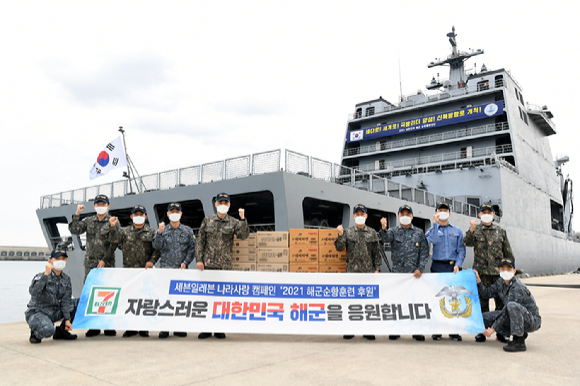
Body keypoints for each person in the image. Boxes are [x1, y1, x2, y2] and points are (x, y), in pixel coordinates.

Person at [195, 192, 249, 339]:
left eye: (226, 203)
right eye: (220, 202)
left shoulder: (233, 222)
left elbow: (244, 236)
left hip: (224, 266)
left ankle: (219, 328)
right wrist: (199, 260)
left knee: (221, 298)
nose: (223, 205)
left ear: (229, 205)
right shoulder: (207, 221)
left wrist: (243, 218)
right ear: (216, 204)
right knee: (206, 298)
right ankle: (206, 328)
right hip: (208, 266)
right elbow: (200, 241)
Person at [68, 194, 119, 337]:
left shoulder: (113, 221)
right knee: (92, 296)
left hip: (106, 264)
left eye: (103, 204)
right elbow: (74, 229)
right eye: (98, 204)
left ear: (108, 206)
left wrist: (104, 259)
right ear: (94, 206)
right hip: (90, 264)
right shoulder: (89, 221)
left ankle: (108, 326)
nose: (100, 206)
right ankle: (93, 326)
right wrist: (77, 214)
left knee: (108, 295)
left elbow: (115, 242)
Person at [464, 203, 515, 343]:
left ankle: (501, 332)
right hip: (481, 274)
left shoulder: (501, 231)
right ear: (479, 214)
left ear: (493, 215)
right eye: (483, 212)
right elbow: (466, 242)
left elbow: (508, 253)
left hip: (498, 274)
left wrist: (510, 272)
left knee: (501, 304)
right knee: (482, 303)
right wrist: (471, 229)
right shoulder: (475, 229)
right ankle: (481, 330)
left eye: (489, 212)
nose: (486, 214)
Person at [109, 205, 160, 338]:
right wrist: (112, 227)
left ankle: (143, 328)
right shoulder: (124, 231)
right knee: (130, 300)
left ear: (145, 216)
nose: (138, 216)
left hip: (145, 272)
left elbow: (157, 249)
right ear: (131, 216)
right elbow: (112, 240)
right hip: (129, 272)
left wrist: (152, 261)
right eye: (136, 214)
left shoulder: (151, 232)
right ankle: (130, 327)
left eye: (141, 214)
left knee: (144, 300)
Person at [379, 205, 429, 341]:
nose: (405, 216)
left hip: (414, 275)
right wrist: (383, 228)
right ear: (399, 216)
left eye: (408, 213)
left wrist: (420, 268)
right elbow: (385, 239)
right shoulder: (393, 232)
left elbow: (424, 253)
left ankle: (416, 330)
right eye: (402, 214)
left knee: (415, 303)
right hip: (398, 274)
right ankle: (396, 329)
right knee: (397, 302)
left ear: (412, 216)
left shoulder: (419, 233)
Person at [335, 204, 381, 341]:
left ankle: (368, 330)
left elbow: (376, 253)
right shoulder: (348, 232)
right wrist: (340, 235)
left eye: (362, 213)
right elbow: (339, 248)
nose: (360, 216)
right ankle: (350, 329)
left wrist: (377, 269)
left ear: (366, 216)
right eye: (357, 213)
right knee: (351, 303)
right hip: (352, 273)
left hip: (368, 273)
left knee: (368, 303)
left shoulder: (372, 233)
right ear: (354, 216)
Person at [475, 258, 541, 352]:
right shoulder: (500, 283)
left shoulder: (517, 287)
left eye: (508, 269)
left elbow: (508, 310)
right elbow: (486, 294)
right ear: (499, 270)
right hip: (515, 316)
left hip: (531, 320)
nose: (505, 271)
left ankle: (519, 342)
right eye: (502, 269)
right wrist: (478, 281)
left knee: (511, 306)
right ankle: (520, 333)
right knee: (484, 318)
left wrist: (493, 329)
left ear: (514, 271)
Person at [152, 202, 196, 339]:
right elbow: (156, 246)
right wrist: (159, 233)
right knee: (165, 300)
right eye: (172, 211)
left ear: (181, 213)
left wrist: (186, 262)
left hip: (181, 271)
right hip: (166, 271)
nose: (174, 213)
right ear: (168, 214)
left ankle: (179, 327)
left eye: (177, 211)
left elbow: (192, 249)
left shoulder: (188, 231)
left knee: (180, 301)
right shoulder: (162, 230)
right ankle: (164, 328)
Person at [426, 202, 466, 342]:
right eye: (440, 210)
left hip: (453, 268)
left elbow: (461, 250)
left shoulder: (457, 231)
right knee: (438, 299)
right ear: (436, 212)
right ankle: (437, 330)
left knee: (454, 299)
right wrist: (435, 223)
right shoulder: (432, 230)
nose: (443, 212)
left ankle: (453, 331)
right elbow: (433, 240)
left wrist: (458, 264)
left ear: (449, 213)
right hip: (437, 266)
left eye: (445, 210)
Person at [25, 249, 77, 344]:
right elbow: (33, 292)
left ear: (66, 261)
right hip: (38, 312)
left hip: (54, 311)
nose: (60, 261)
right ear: (50, 261)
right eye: (57, 258)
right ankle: (36, 333)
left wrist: (67, 320)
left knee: (79, 303)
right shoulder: (41, 276)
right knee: (48, 330)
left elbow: (66, 301)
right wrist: (46, 275)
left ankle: (61, 332)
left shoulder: (66, 279)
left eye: (63, 258)